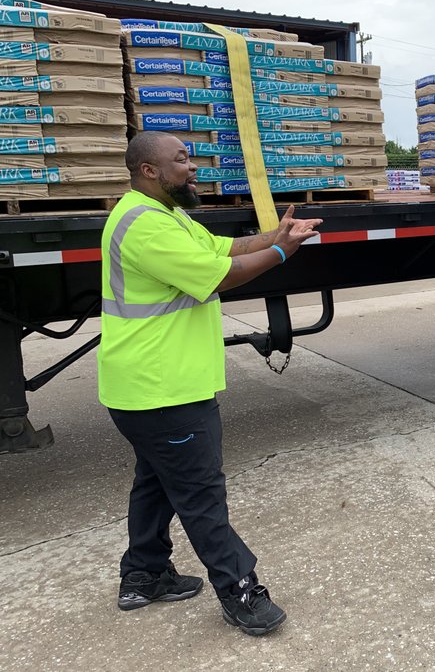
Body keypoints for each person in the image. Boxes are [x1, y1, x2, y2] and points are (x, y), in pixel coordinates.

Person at [98, 131, 322, 636]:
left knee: (156, 484)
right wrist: (282, 254)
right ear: (149, 170)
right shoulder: (143, 227)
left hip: (148, 387)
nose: (192, 166)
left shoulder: (165, 215)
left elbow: (223, 246)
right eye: (181, 159)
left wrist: (274, 234)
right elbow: (220, 273)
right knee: (200, 494)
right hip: (162, 388)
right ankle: (241, 590)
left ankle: (143, 574)